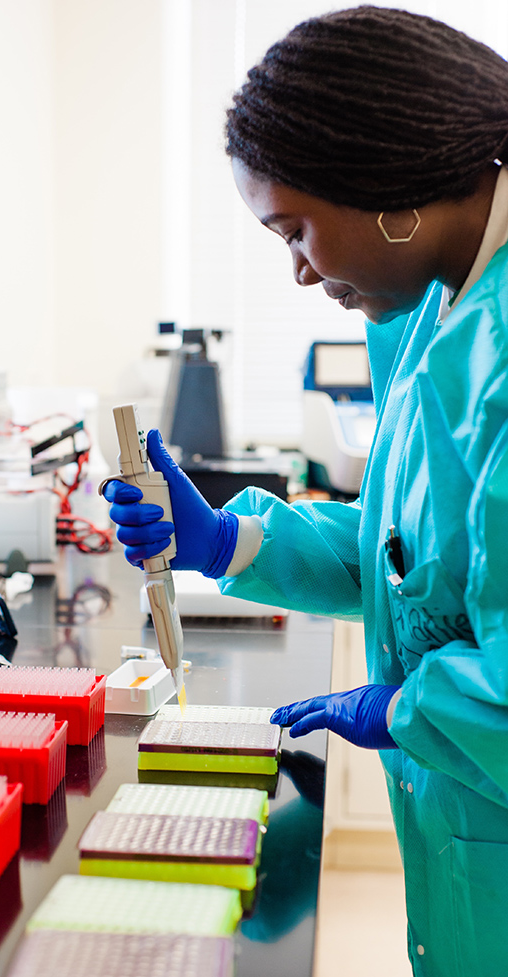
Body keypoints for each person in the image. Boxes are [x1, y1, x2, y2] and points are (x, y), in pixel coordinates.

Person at [103, 7, 508, 976]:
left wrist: (406, 707)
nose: (295, 271)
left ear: (383, 184)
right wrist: (223, 542)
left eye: (295, 231)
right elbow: (406, 556)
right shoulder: (430, 309)